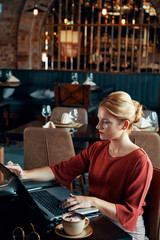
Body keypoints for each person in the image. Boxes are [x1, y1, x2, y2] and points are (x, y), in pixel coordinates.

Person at [6, 91, 153, 240]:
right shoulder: (97, 149)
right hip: (97, 218)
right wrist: (24, 174)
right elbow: (61, 169)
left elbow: (129, 213)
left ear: (124, 125)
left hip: (125, 232)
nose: (98, 126)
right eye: (99, 119)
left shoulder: (139, 161)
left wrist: (92, 201)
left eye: (106, 122)